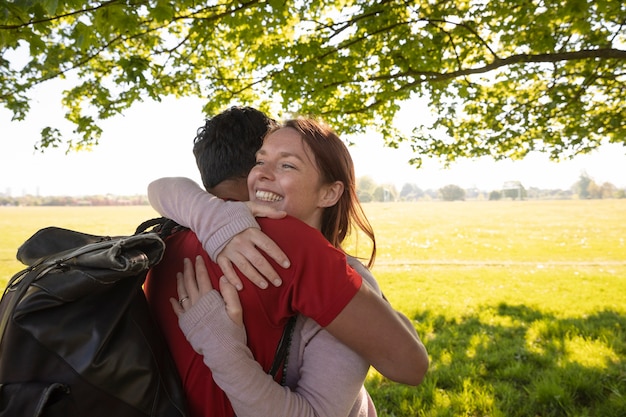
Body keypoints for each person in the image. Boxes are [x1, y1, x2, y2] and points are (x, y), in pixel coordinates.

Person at [145, 108, 428, 417]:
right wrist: (214, 217)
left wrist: (221, 347)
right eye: (260, 161)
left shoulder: (310, 258)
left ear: (329, 192)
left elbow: (410, 365)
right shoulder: (228, 232)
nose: (264, 174)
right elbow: (161, 187)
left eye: (288, 165)